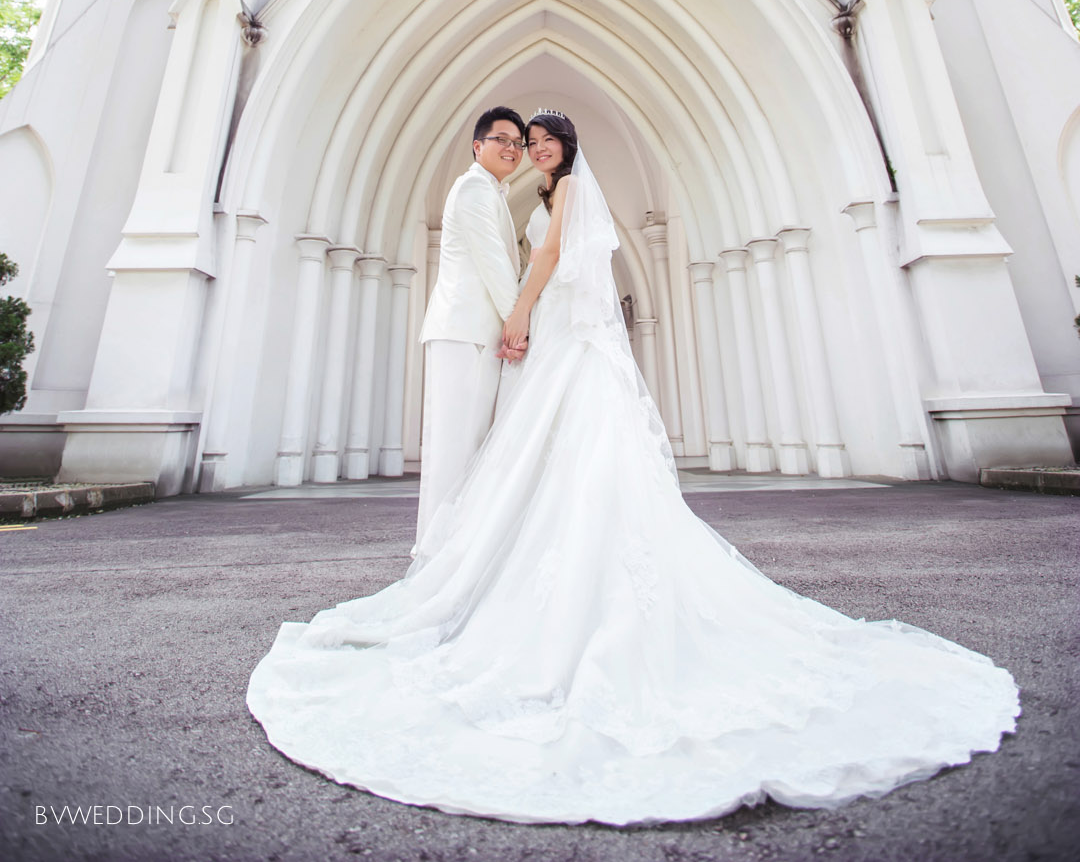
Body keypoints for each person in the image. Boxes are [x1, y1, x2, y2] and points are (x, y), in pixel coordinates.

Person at [247, 109, 1020, 826]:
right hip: (548, 333)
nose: (533, 150)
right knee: (536, 457)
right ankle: (463, 566)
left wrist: (517, 315)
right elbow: (524, 255)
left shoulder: (570, 190)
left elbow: (547, 255)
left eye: (543, 141)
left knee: (564, 454)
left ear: (565, 149)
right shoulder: (498, 191)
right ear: (489, 147)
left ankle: (469, 571)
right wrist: (523, 313)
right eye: (523, 141)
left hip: (558, 335)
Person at [413, 105, 525, 551]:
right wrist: (519, 326)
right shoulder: (475, 189)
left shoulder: (489, 191)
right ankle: (439, 554)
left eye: (518, 143)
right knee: (455, 449)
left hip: (472, 333)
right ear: (478, 145)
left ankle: (454, 551)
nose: (512, 149)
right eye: (502, 140)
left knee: (468, 447)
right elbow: (493, 264)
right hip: (466, 332)